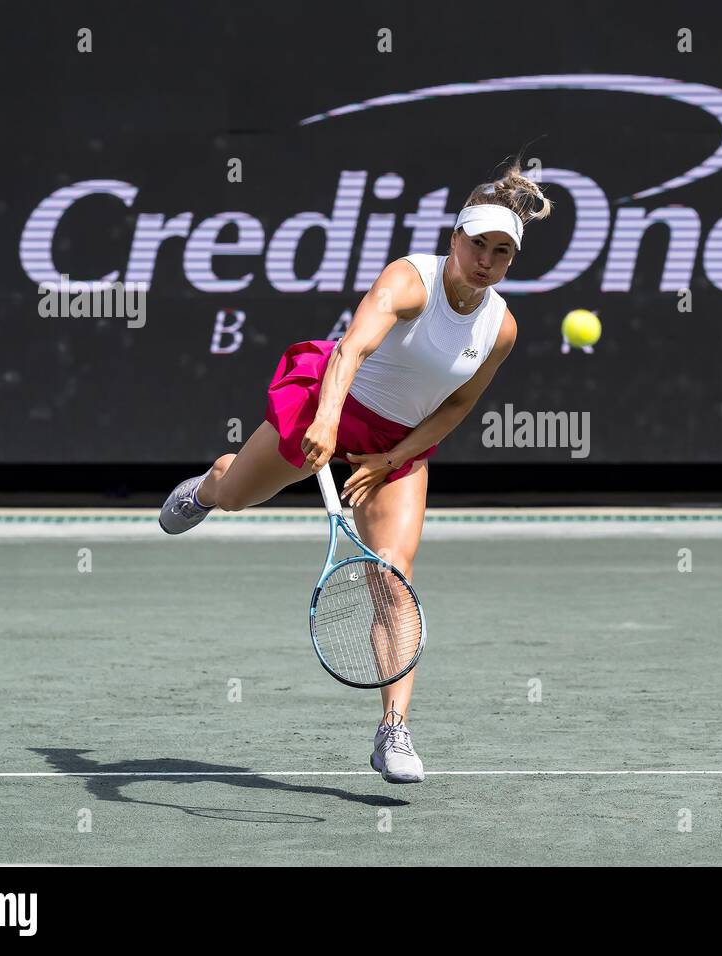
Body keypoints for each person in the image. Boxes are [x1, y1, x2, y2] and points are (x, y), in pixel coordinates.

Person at [159, 163, 552, 783]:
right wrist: (327, 422)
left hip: (397, 447)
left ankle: (393, 731)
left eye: (501, 253)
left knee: (394, 580)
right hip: (333, 402)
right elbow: (351, 350)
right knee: (239, 494)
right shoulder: (409, 280)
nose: (486, 260)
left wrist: (390, 460)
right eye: (478, 244)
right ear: (455, 239)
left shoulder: (499, 328)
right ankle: (211, 485)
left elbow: (456, 406)